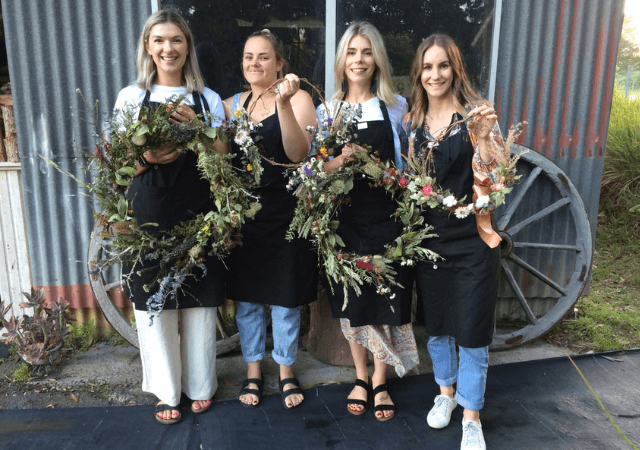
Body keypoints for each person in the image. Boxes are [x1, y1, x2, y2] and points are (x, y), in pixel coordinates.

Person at [114, 9, 227, 425]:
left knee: (199, 302)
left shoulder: (208, 99)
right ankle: (166, 389)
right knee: (153, 304)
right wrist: (145, 156)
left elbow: (223, 161)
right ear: (148, 46)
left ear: (187, 47)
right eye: (159, 40)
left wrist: (201, 129)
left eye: (176, 40)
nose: (168, 48)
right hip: (147, 212)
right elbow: (116, 165)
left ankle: (200, 386)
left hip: (198, 212)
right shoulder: (130, 97)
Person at [400, 34, 503, 450]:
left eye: (443, 65)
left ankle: (471, 414)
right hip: (431, 242)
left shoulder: (474, 118)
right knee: (439, 324)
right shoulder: (411, 124)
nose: (435, 74)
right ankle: (445, 395)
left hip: (474, 241)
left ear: (455, 70)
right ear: (419, 73)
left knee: (473, 328)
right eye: (427, 67)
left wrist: (488, 137)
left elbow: (496, 175)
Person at [318, 21, 415, 422]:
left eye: (367, 52)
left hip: (387, 217)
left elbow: (409, 168)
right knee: (353, 300)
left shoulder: (396, 107)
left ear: (377, 59)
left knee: (386, 299)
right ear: (342, 59)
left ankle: (380, 379)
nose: (359, 60)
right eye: (352, 52)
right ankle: (360, 376)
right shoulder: (328, 110)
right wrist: (338, 161)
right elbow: (316, 170)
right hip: (345, 222)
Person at [223, 29, 318, 410]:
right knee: (247, 301)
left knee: (284, 299)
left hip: (288, 213)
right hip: (246, 216)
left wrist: (283, 104)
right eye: (249, 56)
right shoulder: (231, 106)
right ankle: (252, 370)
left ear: (280, 63)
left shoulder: (301, 98)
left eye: (264, 57)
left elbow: (299, 155)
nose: (254, 63)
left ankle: (286, 369)